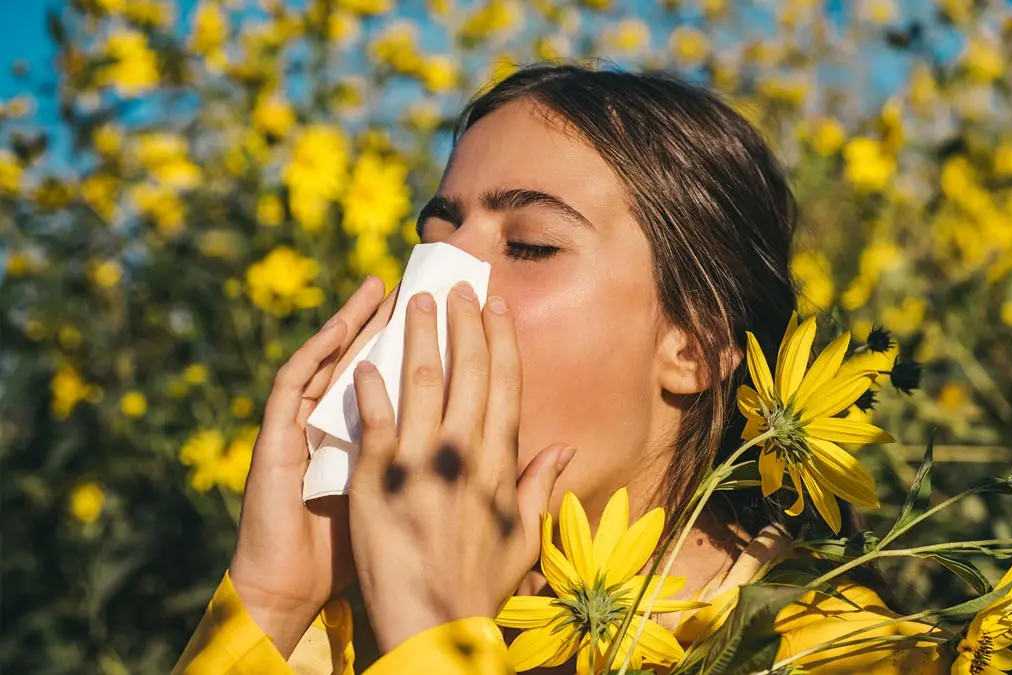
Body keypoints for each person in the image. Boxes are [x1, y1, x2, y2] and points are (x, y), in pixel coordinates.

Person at [172, 64, 942, 675]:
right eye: (433, 245)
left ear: (695, 346)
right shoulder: (348, 625)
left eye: (531, 246)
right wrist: (273, 608)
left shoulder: (841, 653)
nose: (436, 294)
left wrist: (437, 637)